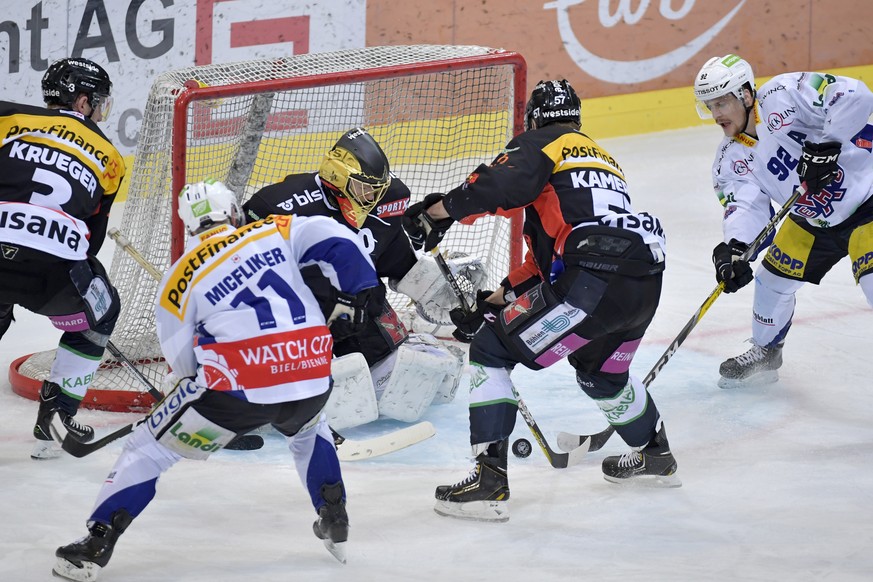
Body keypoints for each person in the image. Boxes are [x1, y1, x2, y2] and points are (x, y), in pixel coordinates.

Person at [52, 179, 379, 581]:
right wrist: (358, 294)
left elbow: (183, 365)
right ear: (235, 214)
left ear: (189, 229)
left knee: (149, 450)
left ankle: (96, 543)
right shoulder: (274, 229)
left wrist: (209, 414)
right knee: (310, 430)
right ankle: (335, 516)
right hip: (311, 375)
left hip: (235, 392)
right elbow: (336, 239)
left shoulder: (177, 279)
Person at [404, 79, 679, 522]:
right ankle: (655, 455)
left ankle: (489, 480)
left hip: (593, 284)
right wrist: (493, 304)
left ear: (534, 119)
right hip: (641, 285)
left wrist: (435, 212)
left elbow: (495, 186)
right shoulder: (600, 157)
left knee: (491, 350)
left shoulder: (543, 143)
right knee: (601, 377)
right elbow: (545, 263)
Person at [243, 127, 475, 429]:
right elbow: (247, 273)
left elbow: (393, 254)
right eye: (366, 188)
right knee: (330, 393)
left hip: (361, 310)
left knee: (409, 380)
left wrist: (434, 288)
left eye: (378, 188)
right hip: (302, 319)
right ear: (337, 177)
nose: (374, 197)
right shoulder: (278, 206)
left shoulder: (386, 201)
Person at [692, 55, 873, 388]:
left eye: (721, 103)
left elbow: (855, 95)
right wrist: (735, 248)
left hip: (868, 198)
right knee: (771, 281)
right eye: (709, 106)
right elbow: (745, 207)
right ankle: (766, 352)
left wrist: (828, 142)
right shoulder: (729, 159)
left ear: (745, 95)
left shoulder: (786, 92)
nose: (716, 115)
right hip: (812, 218)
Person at [0, 57, 126, 459]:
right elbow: (90, 240)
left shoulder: (7, 116)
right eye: (99, 102)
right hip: (51, 271)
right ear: (84, 101)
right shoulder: (109, 155)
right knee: (102, 312)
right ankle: (56, 415)